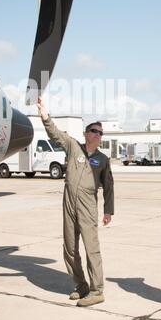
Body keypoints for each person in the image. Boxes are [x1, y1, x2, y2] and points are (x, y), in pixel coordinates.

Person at [37, 98, 114, 307]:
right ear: (86, 133)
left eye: (101, 133)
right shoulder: (73, 147)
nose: (98, 134)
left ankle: (97, 290)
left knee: (91, 248)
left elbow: (108, 186)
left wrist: (108, 211)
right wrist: (45, 116)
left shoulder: (103, 159)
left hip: (88, 206)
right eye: (94, 131)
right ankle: (81, 286)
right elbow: (55, 134)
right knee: (70, 248)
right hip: (69, 204)